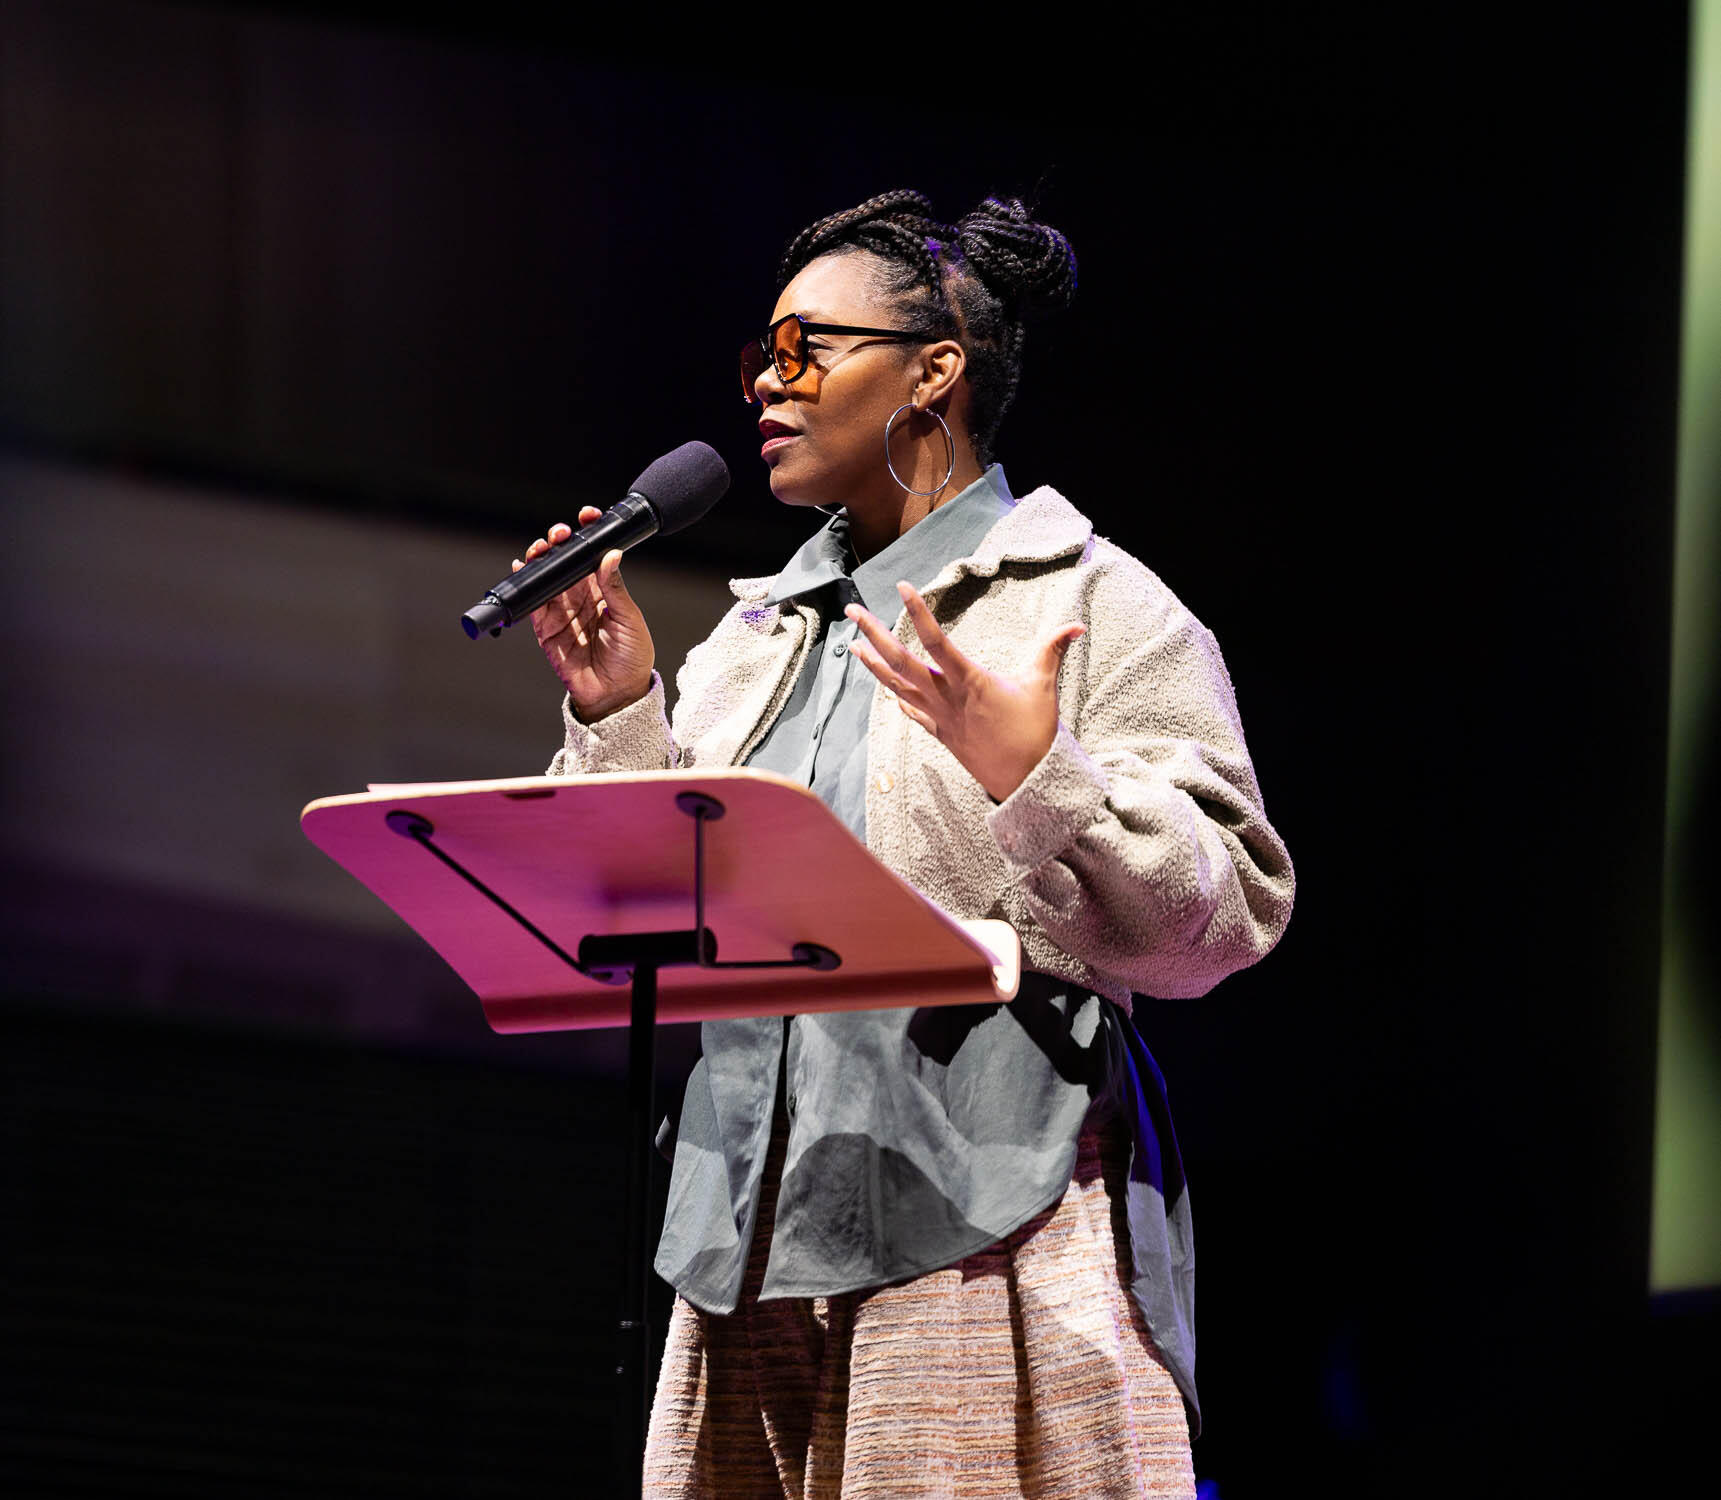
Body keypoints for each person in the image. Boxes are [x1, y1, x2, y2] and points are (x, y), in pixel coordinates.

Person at [518, 189, 1296, 1499]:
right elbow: (645, 919)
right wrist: (615, 715)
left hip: (993, 1224)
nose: (767, 380)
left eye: (806, 346)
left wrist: (1032, 774)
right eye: (760, 351)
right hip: (750, 1235)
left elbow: (1211, 929)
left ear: (933, 370)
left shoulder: (1094, 602)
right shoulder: (756, 639)